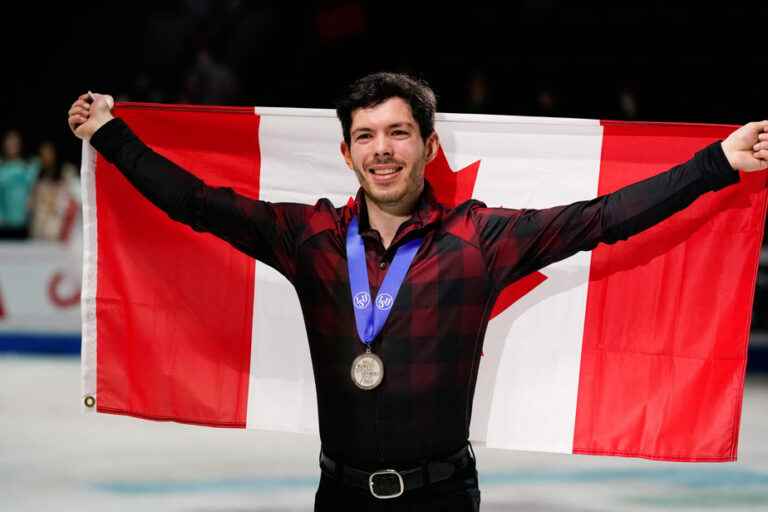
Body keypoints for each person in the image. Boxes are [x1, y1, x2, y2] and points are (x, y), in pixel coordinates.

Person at [67, 73, 768, 511]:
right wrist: (112, 135)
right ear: (346, 153)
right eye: (366, 136)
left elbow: (605, 218)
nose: (382, 149)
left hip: (443, 499)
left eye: (399, 132)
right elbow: (196, 203)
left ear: (428, 147)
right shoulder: (307, 238)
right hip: (337, 496)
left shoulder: (480, 239)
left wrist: (717, 163)